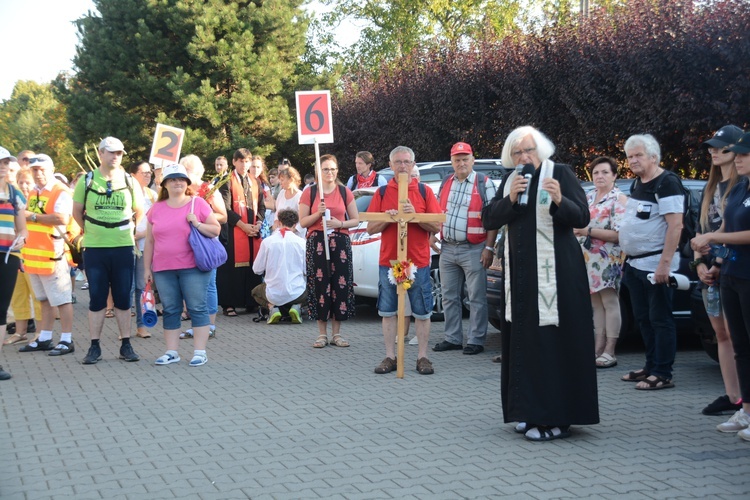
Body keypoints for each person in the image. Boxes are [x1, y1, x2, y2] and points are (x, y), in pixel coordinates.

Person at [482, 126, 598, 441]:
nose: (524, 157)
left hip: (556, 279)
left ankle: (556, 418)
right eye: (518, 152)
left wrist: (560, 199)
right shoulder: (511, 180)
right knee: (524, 345)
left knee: (551, 345)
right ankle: (529, 411)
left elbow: (582, 217)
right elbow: (489, 218)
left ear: (541, 149)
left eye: (529, 150)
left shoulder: (559, 173)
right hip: (520, 280)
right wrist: (510, 197)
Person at [692, 131, 750, 441]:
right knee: (739, 345)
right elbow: (723, 225)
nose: (737, 158)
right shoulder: (739, 188)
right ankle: (745, 408)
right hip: (730, 275)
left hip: (744, 274)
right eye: (736, 153)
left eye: (742, 154)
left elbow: (732, 233)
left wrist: (713, 239)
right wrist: (702, 253)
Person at [367, 146, 442, 375]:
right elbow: (371, 227)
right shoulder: (381, 192)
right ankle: (390, 356)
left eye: (406, 162)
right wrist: (388, 219)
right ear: (390, 166)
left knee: (422, 310)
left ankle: (422, 357)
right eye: (398, 162)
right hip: (390, 260)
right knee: (388, 309)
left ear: (413, 165)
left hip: (417, 261)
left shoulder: (423, 191)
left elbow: (436, 226)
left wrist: (414, 217)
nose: (402, 166)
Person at [619, 134, 684, 390]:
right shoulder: (638, 183)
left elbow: (675, 226)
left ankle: (662, 372)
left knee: (660, 319)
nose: (633, 160)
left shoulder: (667, 183)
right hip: (634, 265)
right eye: (630, 156)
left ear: (653, 157)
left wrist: (664, 265)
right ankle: (650, 365)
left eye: (638, 155)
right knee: (643, 319)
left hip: (655, 265)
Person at [72, 137, 143, 365]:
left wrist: (130, 232)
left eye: (120, 153)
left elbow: (139, 211)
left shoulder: (130, 181)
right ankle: (94, 346)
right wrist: (91, 231)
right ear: (101, 153)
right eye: (111, 152)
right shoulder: (87, 180)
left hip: (122, 246)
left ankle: (126, 344)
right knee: (97, 299)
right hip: (95, 248)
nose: (115, 157)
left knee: (123, 298)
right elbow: (77, 212)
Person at [143, 163, 220, 366]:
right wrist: (146, 269)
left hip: (193, 266)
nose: (177, 182)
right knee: (170, 309)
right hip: (163, 268)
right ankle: (171, 351)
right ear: (165, 184)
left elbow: (216, 229)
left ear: (187, 183)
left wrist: (197, 223)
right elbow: (149, 241)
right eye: (172, 179)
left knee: (197, 307)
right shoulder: (156, 209)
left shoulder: (197, 203)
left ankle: (200, 351)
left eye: (181, 179)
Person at [432, 142, 497, 355]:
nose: (461, 163)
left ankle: (476, 340)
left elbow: (493, 220)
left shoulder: (483, 183)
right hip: (448, 248)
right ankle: (452, 338)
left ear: (472, 160)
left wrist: (489, 248)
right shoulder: (446, 182)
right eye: (457, 159)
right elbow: (437, 212)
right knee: (449, 296)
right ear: (451, 161)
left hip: (475, 248)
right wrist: (432, 234)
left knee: (476, 297)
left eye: (465, 158)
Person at [18, 154, 76, 357]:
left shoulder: (60, 191)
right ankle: (45, 338)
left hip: (53, 254)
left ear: (51, 169)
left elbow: (61, 218)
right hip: (34, 254)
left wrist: (32, 216)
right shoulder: (33, 191)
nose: (38, 173)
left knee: (62, 299)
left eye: (42, 169)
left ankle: (67, 340)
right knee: (44, 299)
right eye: (34, 169)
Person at [299, 154, 359, 348]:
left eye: (333, 169)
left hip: (340, 241)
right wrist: (318, 213)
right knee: (320, 285)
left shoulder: (344, 191)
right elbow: (303, 222)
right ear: (319, 171)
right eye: (325, 169)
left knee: (339, 286)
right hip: (317, 241)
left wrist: (339, 223)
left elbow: (356, 219)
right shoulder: (310, 192)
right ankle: (322, 333)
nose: (330, 173)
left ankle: (337, 333)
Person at [572, 157, 628, 368]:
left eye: (605, 172)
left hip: (608, 259)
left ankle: (610, 350)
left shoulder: (619, 199)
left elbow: (619, 234)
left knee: (610, 303)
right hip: (587, 259)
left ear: (614, 175)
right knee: (595, 305)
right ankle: (597, 348)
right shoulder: (588, 196)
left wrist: (588, 231)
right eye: (596, 173)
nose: (600, 176)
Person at [180, 154, 227, 338]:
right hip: (185, 244)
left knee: (208, 284)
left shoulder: (209, 190)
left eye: (186, 171)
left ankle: (211, 325)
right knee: (190, 285)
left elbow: (223, 215)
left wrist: (201, 220)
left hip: (206, 243)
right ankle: (198, 324)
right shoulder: (181, 192)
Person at [217, 148, 265, 317]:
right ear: (234, 162)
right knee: (230, 270)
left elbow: (261, 205)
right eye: (241, 161)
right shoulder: (226, 181)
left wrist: (258, 222)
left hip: (252, 231)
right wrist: (243, 225)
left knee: (252, 266)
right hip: (232, 232)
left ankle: (250, 301)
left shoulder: (255, 181)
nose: (244, 165)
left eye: (247, 161)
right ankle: (229, 304)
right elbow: (225, 208)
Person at [4, 168, 41, 346]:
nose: (25, 186)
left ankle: (41, 332)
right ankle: (20, 331)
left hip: (37, 253)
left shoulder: (37, 198)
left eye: (28, 182)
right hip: (14, 254)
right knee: (18, 294)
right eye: (21, 182)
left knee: (38, 295)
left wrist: (30, 216)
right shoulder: (13, 197)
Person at [0, 147, 28, 380]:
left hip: (7, 257)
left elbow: (23, 229)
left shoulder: (14, 193)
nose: (2, 166)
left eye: (4, 162)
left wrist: (22, 239)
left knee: (1, 312)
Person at [252, 209, 307, 324]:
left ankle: (272, 307)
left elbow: (256, 270)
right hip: (297, 292)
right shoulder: (302, 242)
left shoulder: (267, 242)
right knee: (312, 290)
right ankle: (297, 306)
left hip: (273, 293)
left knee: (255, 292)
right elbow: (307, 270)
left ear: (278, 222)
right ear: (295, 224)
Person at [129, 160, 158, 339]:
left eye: (149, 172)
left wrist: (142, 235)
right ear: (133, 175)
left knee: (142, 286)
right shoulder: (126, 193)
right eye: (144, 172)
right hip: (126, 245)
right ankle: (123, 328)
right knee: (127, 287)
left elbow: (156, 220)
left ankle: (141, 326)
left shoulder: (152, 194)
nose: (148, 175)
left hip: (144, 246)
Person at [275, 166, 304, 237]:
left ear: (291, 180)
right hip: (280, 234)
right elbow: (277, 212)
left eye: (282, 180)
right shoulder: (281, 193)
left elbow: (303, 219)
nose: (280, 182)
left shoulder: (300, 196)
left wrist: (290, 231)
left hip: (296, 235)